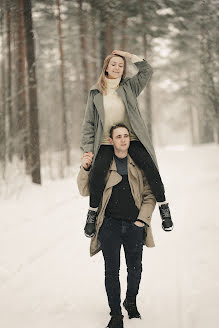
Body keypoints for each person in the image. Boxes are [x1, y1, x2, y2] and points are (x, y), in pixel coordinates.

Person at [80, 49, 173, 238]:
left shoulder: (130, 87)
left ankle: (164, 210)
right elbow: (89, 123)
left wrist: (128, 56)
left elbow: (147, 70)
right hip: (106, 141)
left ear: (124, 70)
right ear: (106, 67)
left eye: (121, 66)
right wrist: (88, 150)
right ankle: (92, 214)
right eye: (113, 64)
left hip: (130, 137)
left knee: (151, 168)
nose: (117, 67)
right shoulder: (95, 93)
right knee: (97, 174)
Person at [77, 124, 157, 328]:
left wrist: (142, 221)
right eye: (118, 137)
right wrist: (85, 168)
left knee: (135, 269)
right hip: (109, 225)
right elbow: (85, 190)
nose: (123, 140)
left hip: (134, 225)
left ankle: (130, 301)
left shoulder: (139, 163)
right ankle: (115, 314)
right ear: (110, 141)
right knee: (111, 271)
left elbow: (150, 194)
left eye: (126, 136)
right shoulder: (103, 164)